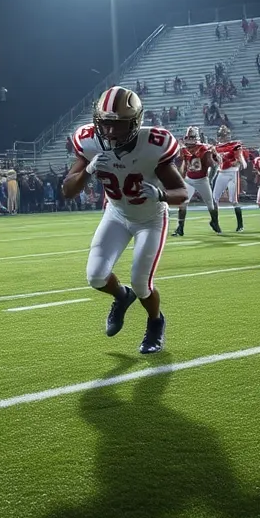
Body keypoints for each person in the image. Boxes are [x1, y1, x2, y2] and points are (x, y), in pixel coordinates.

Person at [61, 87, 187, 354]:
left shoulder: (153, 144)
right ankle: (121, 295)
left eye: (117, 125)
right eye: (104, 123)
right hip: (116, 213)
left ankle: (155, 323)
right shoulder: (89, 142)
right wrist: (88, 171)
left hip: (150, 219)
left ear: (134, 122)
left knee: (142, 282)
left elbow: (183, 193)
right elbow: (68, 191)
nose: (109, 132)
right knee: (95, 276)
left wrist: (161, 194)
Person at [173, 126, 220, 236]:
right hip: (189, 179)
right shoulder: (184, 150)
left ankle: (215, 222)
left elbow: (213, 165)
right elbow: (184, 165)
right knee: (183, 203)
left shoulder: (204, 149)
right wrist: (180, 178)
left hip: (202, 180)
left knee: (210, 204)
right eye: (187, 139)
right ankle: (180, 228)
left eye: (190, 139)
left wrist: (211, 178)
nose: (188, 144)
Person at [212, 125, 247, 232]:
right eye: (222, 135)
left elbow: (242, 162)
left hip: (232, 173)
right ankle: (215, 223)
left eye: (226, 135)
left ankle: (240, 225)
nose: (224, 137)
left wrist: (238, 162)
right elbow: (216, 162)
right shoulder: (216, 147)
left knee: (234, 200)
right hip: (222, 173)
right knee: (214, 199)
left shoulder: (235, 145)